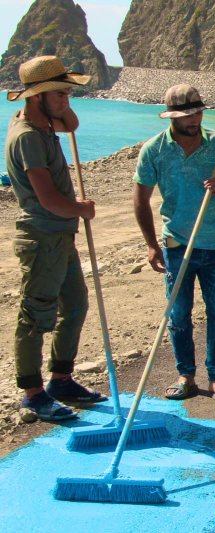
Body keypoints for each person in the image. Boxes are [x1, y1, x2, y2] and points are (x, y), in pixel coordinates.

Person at [5, 55, 106, 421]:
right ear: (37, 97)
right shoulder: (29, 137)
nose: (67, 100)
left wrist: (59, 107)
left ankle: (61, 379)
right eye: (60, 93)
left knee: (75, 305)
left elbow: (73, 124)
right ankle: (32, 392)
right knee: (37, 314)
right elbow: (48, 199)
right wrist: (81, 209)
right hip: (42, 237)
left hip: (59, 236)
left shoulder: (45, 124)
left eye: (66, 92)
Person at [133, 84, 215, 405]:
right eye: (186, 115)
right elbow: (140, 199)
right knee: (179, 314)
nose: (194, 119)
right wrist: (152, 245)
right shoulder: (154, 150)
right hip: (177, 244)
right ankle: (185, 376)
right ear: (171, 117)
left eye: (197, 112)